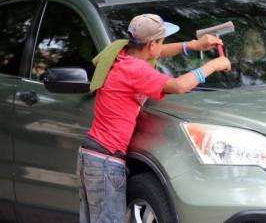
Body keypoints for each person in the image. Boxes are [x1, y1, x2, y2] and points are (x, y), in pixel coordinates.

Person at [78, 14, 231, 223]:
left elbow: (159, 52)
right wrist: (213, 65)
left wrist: (194, 45)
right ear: (151, 44)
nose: (163, 46)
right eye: (161, 40)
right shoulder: (136, 70)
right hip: (106, 160)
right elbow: (178, 86)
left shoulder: (120, 53)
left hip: (91, 154)